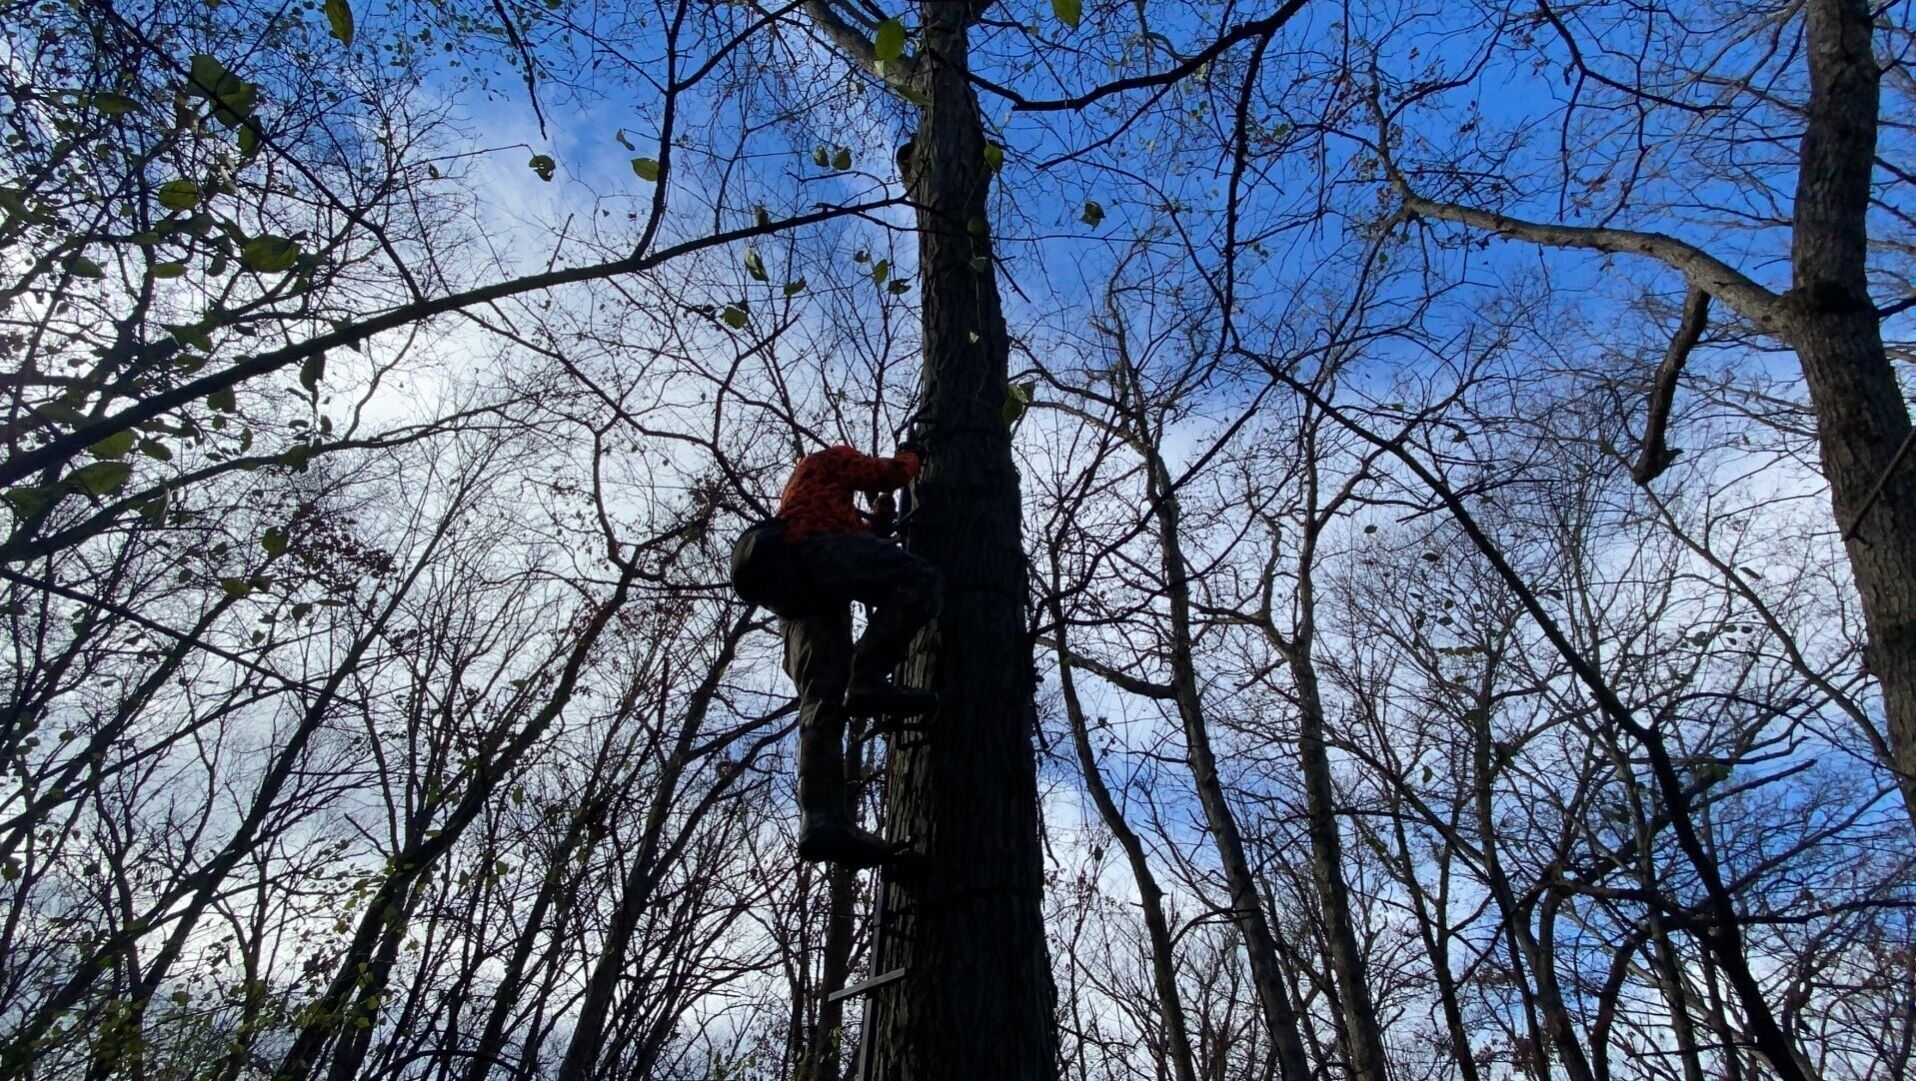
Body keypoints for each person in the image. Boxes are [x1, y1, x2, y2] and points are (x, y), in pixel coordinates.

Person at [729, 442, 942, 867]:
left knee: (822, 701)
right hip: (818, 556)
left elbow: (861, 546)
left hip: (798, 602)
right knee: (921, 579)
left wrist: (880, 523)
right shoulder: (826, 460)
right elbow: (889, 474)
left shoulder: (805, 503)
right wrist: (912, 455)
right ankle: (867, 679)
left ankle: (822, 819)